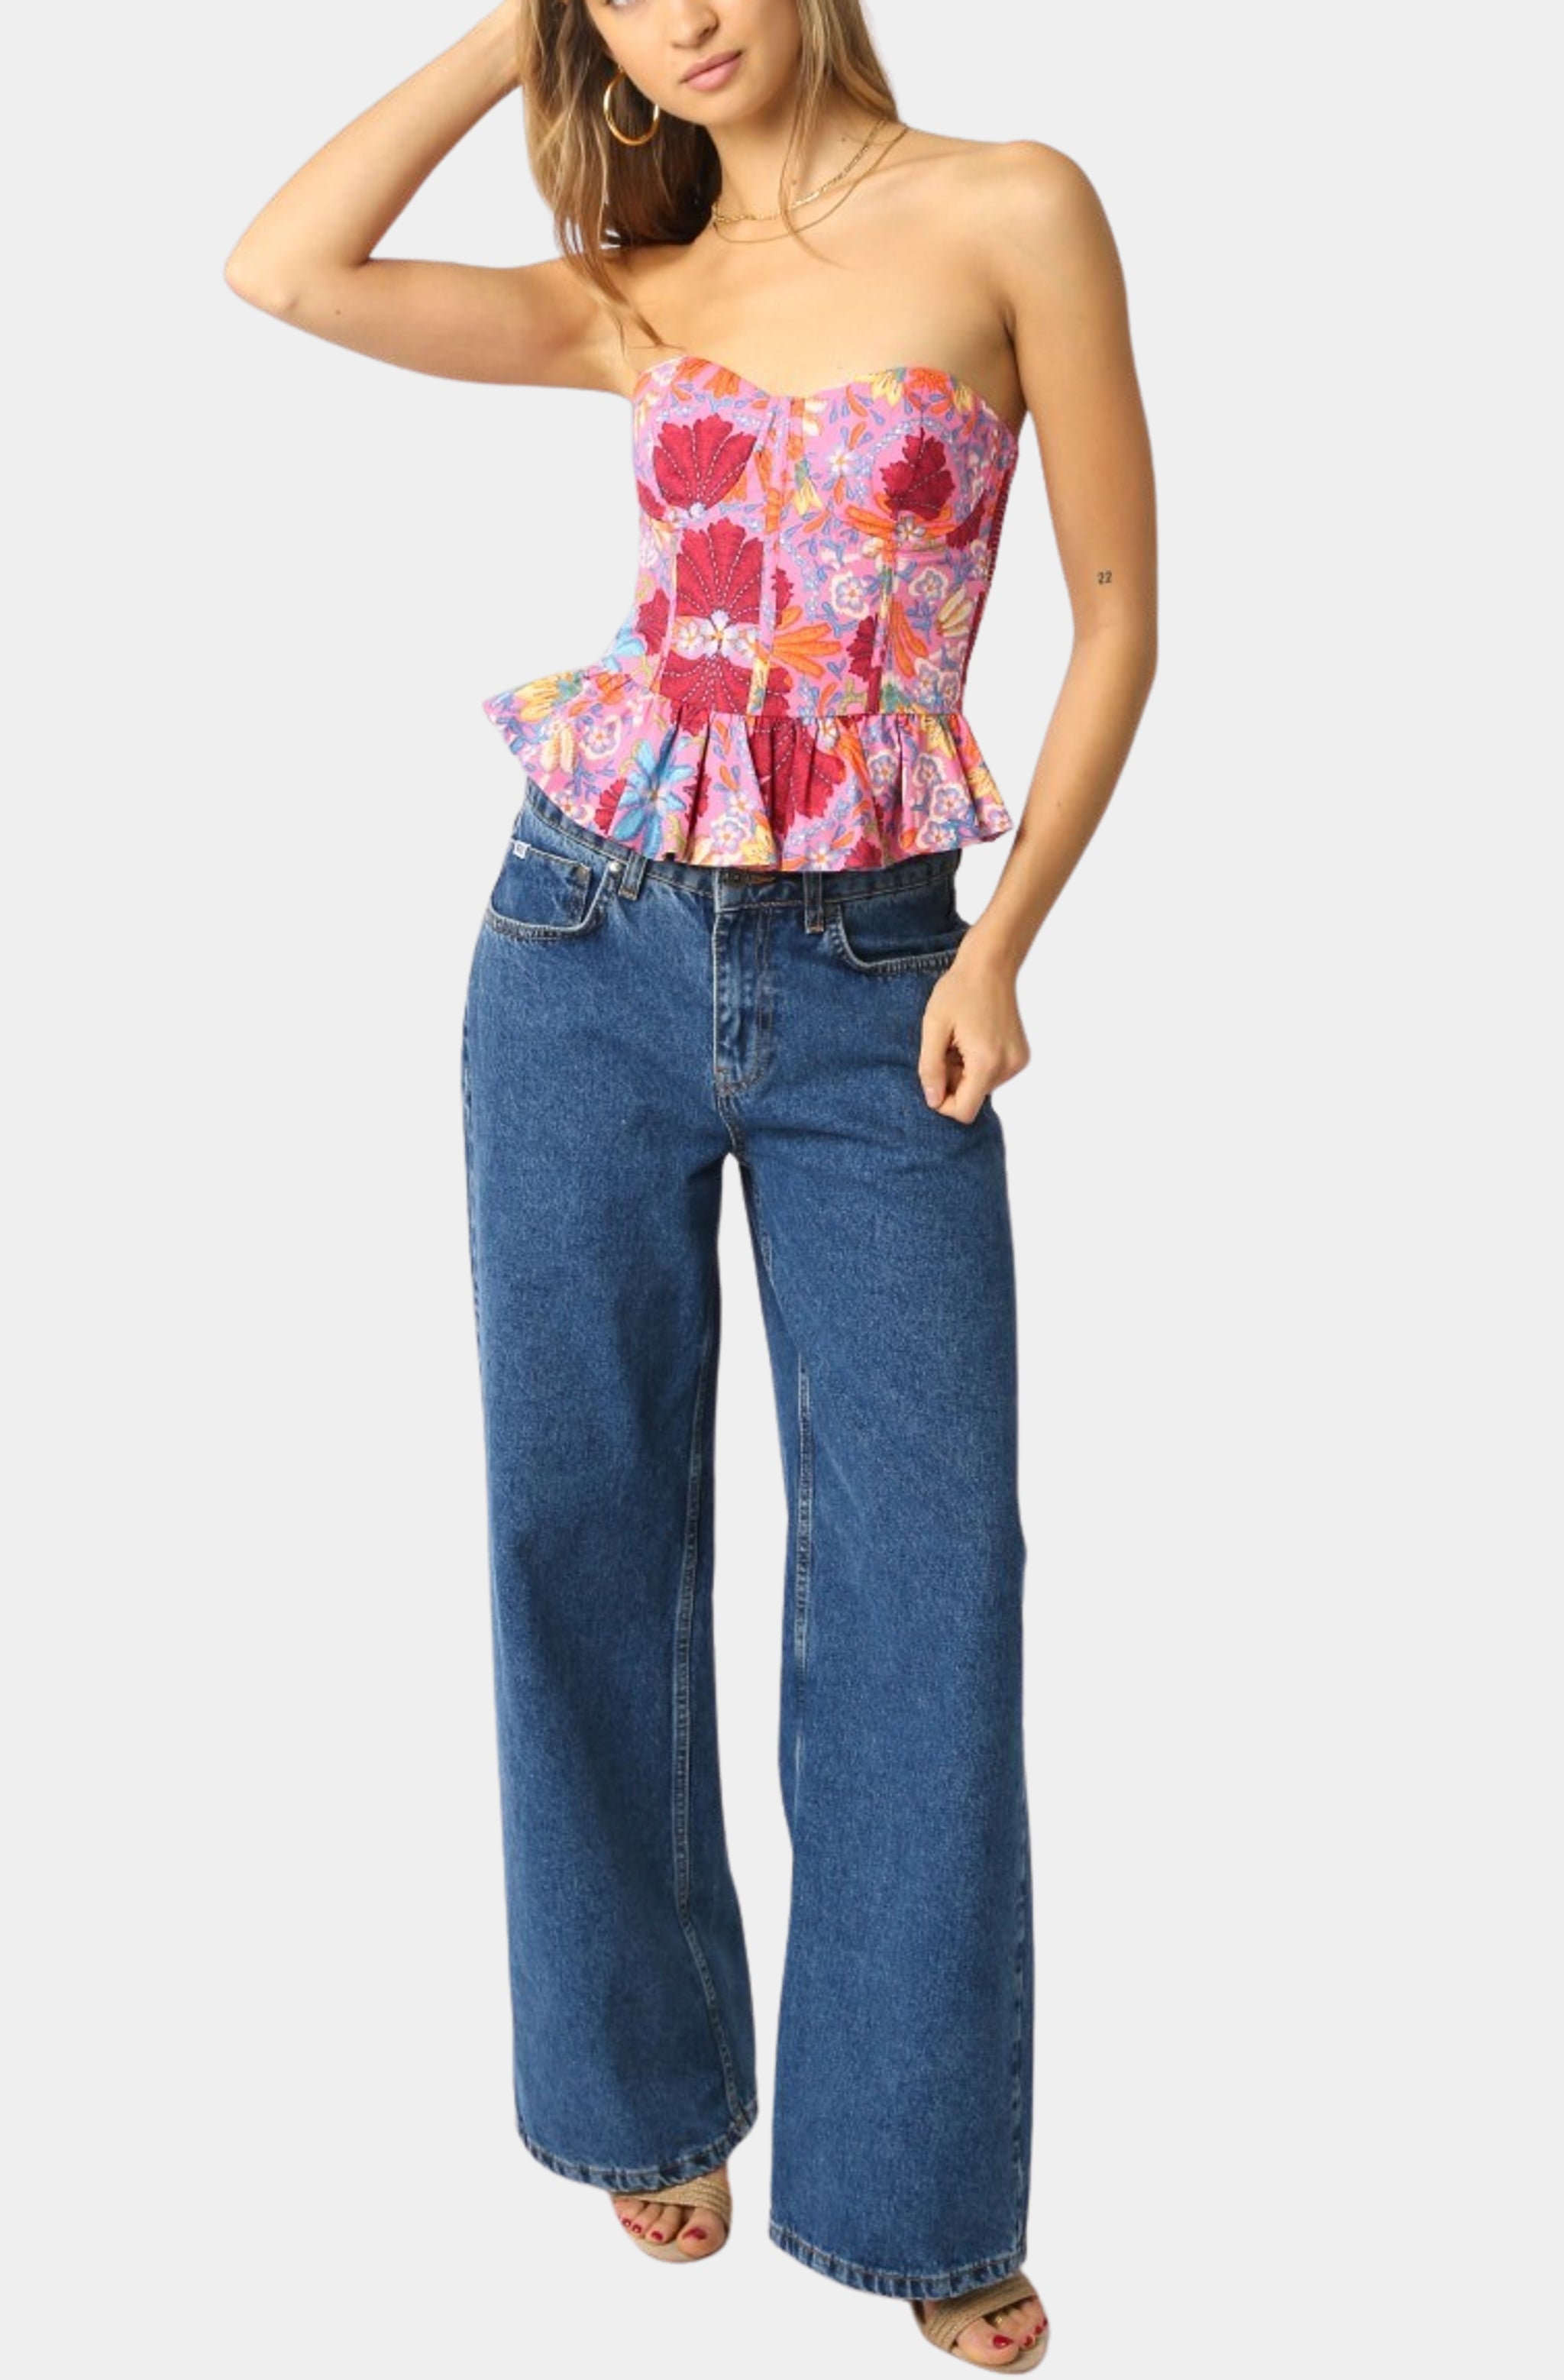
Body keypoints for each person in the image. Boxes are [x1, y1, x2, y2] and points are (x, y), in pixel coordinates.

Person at [225, 2, 1157, 2365]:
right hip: (584, 943)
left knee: (932, 1568)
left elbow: (1121, 609)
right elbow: (287, 267)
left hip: (879, 976)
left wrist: (1006, 943)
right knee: (583, 1526)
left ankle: (916, 2175)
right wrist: (509, 35)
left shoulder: (1015, 206)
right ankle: (642, 2084)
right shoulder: (632, 282)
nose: (691, 14)